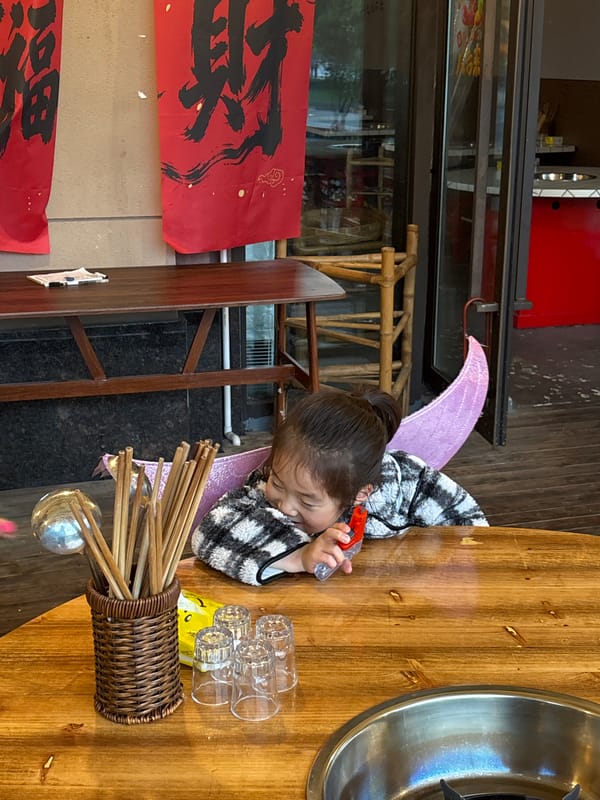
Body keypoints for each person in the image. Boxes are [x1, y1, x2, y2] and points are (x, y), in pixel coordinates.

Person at [191, 389, 488, 586]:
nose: (285, 505)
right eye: (278, 484)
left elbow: (472, 528)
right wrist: (300, 555)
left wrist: (430, 575)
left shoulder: (403, 481)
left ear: (361, 493)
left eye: (308, 502)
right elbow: (209, 534)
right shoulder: (262, 492)